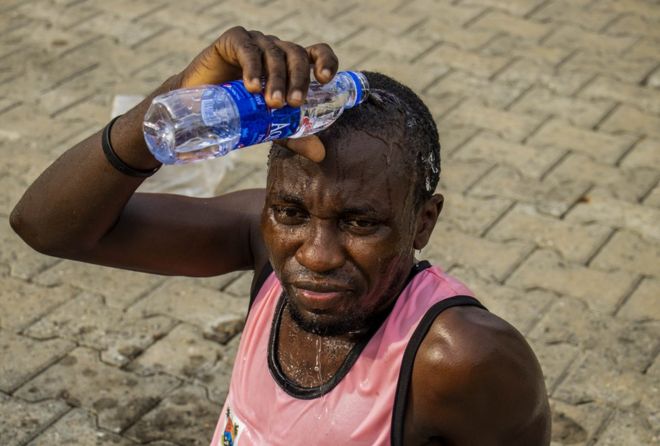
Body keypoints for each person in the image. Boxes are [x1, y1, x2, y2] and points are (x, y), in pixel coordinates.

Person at [10, 27, 551, 445]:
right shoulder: (260, 238)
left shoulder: (460, 361)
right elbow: (48, 226)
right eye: (290, 212)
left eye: (360, 222)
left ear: (424, 223)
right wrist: (176, 102)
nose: (315, 256)